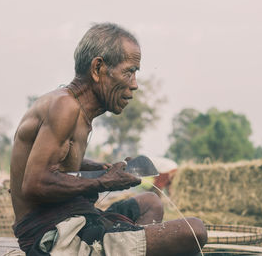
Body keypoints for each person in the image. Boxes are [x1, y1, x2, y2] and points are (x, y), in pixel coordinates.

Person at [10, 22, 207, 256]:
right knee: (195, 231)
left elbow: (58, 162)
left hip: (75, 220)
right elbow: (35, 183)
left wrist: (103, 170)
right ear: (98, 69)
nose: (134, 85)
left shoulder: (73, 108)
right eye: (129, 71)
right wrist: (103, 182)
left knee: (150, 203)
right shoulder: (65, 107)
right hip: (56, 239)